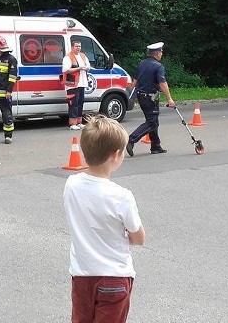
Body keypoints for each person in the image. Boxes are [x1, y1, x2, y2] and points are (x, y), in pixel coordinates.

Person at [63, 115, 145, 323]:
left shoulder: (71, 185)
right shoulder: (122, 196)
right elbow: (138, 238)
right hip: (114, 276)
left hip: (82, 275)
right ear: (116, 155)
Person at [126, 42, 175, 156]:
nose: (162, 54)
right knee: (152, 122)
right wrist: (169, 99)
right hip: (151, 97)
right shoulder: (159, 66)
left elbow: (135, 80)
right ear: (157, 53)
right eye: (161, 52)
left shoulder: (142, 63)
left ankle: (155, 146)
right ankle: (131, 140)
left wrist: (133, 95)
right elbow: (162, 83)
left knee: (153, 120)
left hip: (141, 95)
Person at [62, 40, 91, 130]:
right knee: (73, 104)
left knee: (80, 103)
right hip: (72, 84)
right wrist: (79, 68)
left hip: (82, 83)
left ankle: (79, 122)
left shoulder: (83, 56)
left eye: (79, 46)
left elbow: (88, 66)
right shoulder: (68, 57)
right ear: (72, 47)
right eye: (76, 46)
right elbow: (66, 70)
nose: (78, 48)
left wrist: (86, 68)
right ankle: (72, 124)